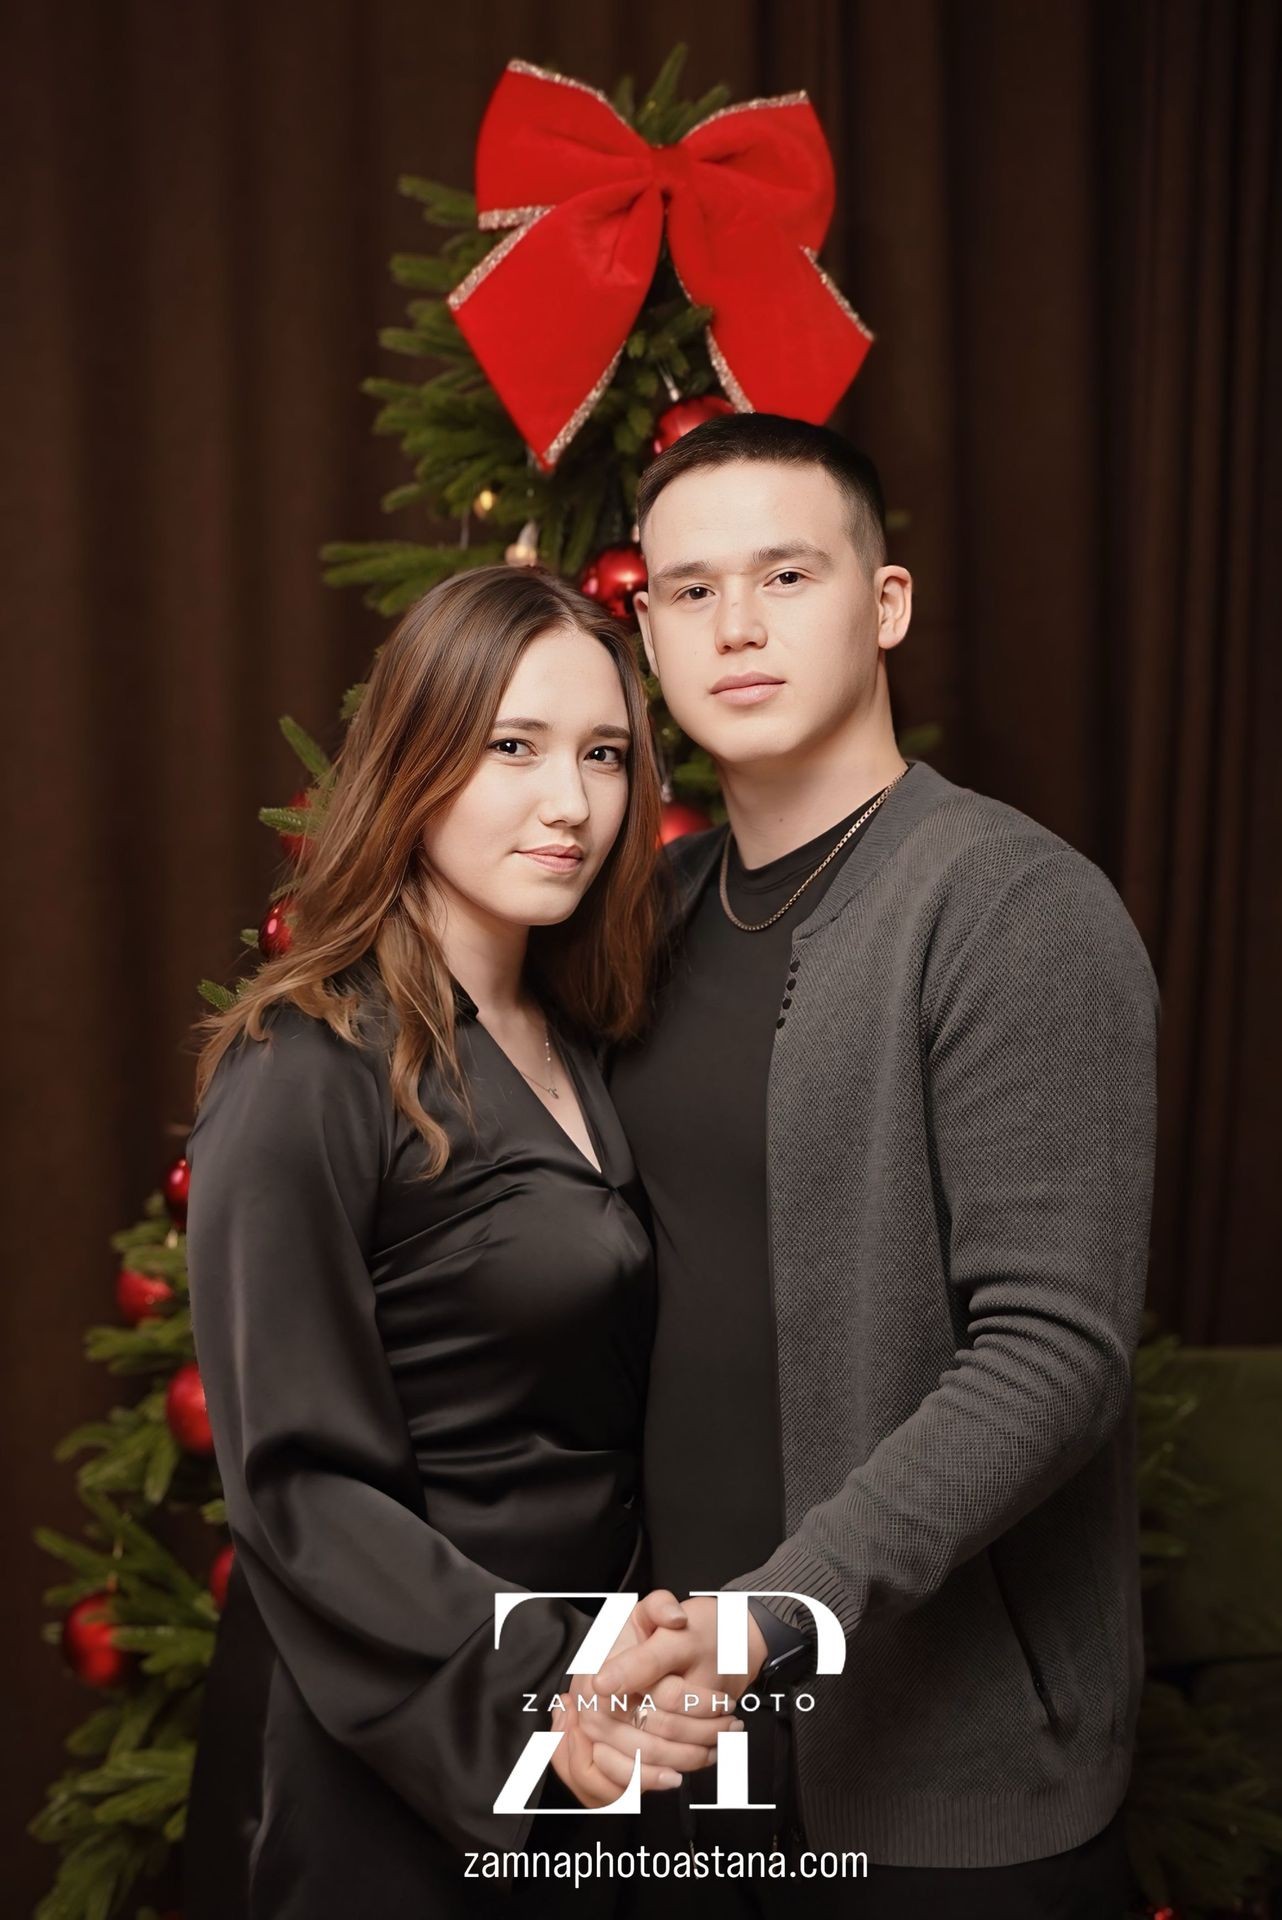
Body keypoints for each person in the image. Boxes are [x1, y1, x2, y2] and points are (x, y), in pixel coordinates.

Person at [601, 413, 1160, 1917]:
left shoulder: (1009, 907)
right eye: (691, 590)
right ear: (646, 630)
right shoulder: (640, 918)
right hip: (681, 1748)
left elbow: (1050, 1353)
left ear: (885, 603)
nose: (736, 627)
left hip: (939, 1781)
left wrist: (774, 1617)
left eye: (785, 575)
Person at [181, 565, 729, 1920]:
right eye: (512, 748)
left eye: (603, 755)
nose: (570, 805)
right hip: (395, 1743)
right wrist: (544, 1692)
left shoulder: (589, 1038)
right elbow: (298, 1489)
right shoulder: (306, 1063)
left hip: (603, 1712)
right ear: (418, 760)